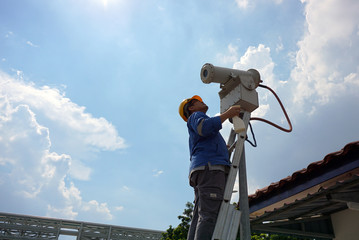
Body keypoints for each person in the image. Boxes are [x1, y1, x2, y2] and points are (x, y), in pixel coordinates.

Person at [178, 95, 241, 240]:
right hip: (210, 169)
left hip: (204, 169)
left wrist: (224, 149)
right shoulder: (196, 116)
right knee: (209, 215)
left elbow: (205, 135)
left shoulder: (198, 123)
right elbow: (204, 127)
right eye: (197, 101)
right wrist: (228, 114)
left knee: (201, 216)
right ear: (191, 108)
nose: (202, 101)